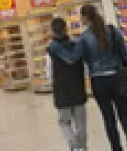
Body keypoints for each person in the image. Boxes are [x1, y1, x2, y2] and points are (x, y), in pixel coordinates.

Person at [49, 4, 127, 151]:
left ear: (84, 17)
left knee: (109, 117)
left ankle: (116, 147)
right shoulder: (113, 31)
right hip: (117, 77)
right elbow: (124, 53)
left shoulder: (83, 38)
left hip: (99, 81)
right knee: (125, 112)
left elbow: (72, 58)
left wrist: (55, 47)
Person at [47, 17, 88, 151]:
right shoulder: (77, 45)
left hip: (62, 91)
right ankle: (82, 146)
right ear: (66, 29)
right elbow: (85, 67)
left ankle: (74, 146)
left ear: (53, 31)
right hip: (78, 88)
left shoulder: (51, 50)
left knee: (64, 122)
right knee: (80, 122)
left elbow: (49, 74)